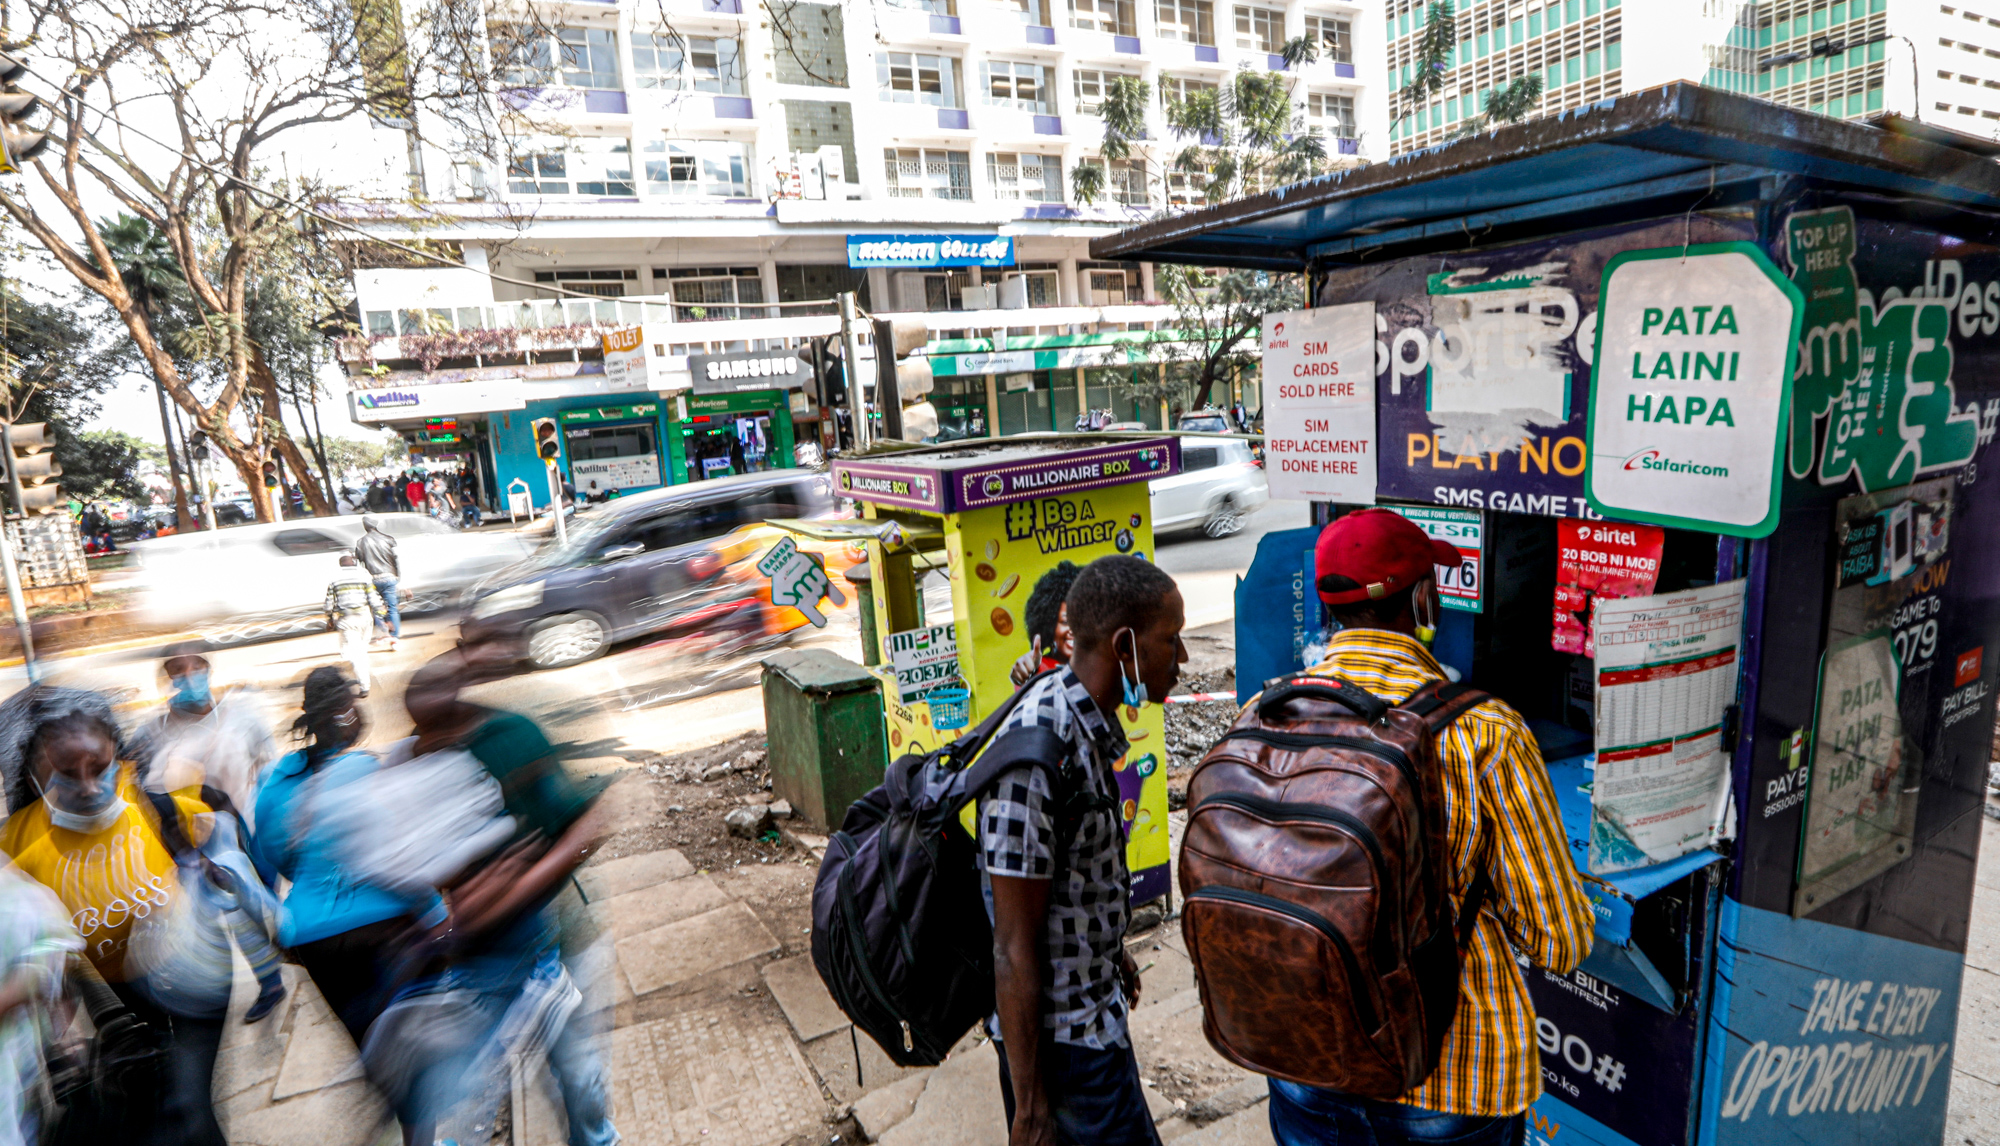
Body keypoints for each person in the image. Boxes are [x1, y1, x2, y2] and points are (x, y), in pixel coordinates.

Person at [1265, 508, 1592, 1146]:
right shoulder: (1484, 734)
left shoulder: (1268, 712)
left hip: (1303, 1059)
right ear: (1424, 599)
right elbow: (1558, 939)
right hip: (1447, 1078)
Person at [981, 554, 1187, 1146]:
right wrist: (1031, 1108)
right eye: (1169, 640)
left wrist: (1108, 951)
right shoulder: (1038, 753)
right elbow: (1012, 948)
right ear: (1125, 646)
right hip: (1066, 1058)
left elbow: (1073, 876)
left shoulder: (1086, 719)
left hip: (1095, 1028)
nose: (1183, 658)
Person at [0, 687, 228, 1146]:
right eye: (66, 774)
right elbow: (35, 940)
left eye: (99, 767)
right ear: (34, 775)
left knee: (191, 1108)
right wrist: (61, 1037)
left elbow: (211, 833)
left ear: (115, 755)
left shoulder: (153, 800)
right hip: (118, 997)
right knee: (155, 1106)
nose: (88, 786)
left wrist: (210, 874)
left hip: (190, 975)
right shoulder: (17, 848)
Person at [252, 668, 428, 1042]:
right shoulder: (365, 770)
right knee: (420, 1030)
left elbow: (275, 858)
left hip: (313, 934)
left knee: (368, 1039)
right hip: (384, 922)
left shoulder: (276, 782)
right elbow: (401, 854)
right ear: (346, 715)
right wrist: (438, 917)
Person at [1009, 560, 1082, 686]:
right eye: (1065, 622)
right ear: (1049, 628)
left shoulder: (1097, 663)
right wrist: (1024, 677)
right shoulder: (1039, 669)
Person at [324, 554, 386, 696]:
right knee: (361, 650)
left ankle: (364, 684)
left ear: (341, 565)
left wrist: (329, 618)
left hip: (346, 619)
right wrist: (381, 614)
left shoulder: (334, 579)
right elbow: (373, 598)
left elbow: (329, 603)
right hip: (365, 618)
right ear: (353, 563)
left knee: (357, 653)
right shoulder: (363, 576)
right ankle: (363, 679)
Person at [354, 514, 402, 649]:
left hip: (372, 579)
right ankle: (395, 637)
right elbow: (396, 560)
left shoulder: (360, 542)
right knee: (392, 608)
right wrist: (398, 577)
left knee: (376, 608)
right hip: (390, 577)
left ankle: (383, 633)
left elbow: (359, 562)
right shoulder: (389, 539)